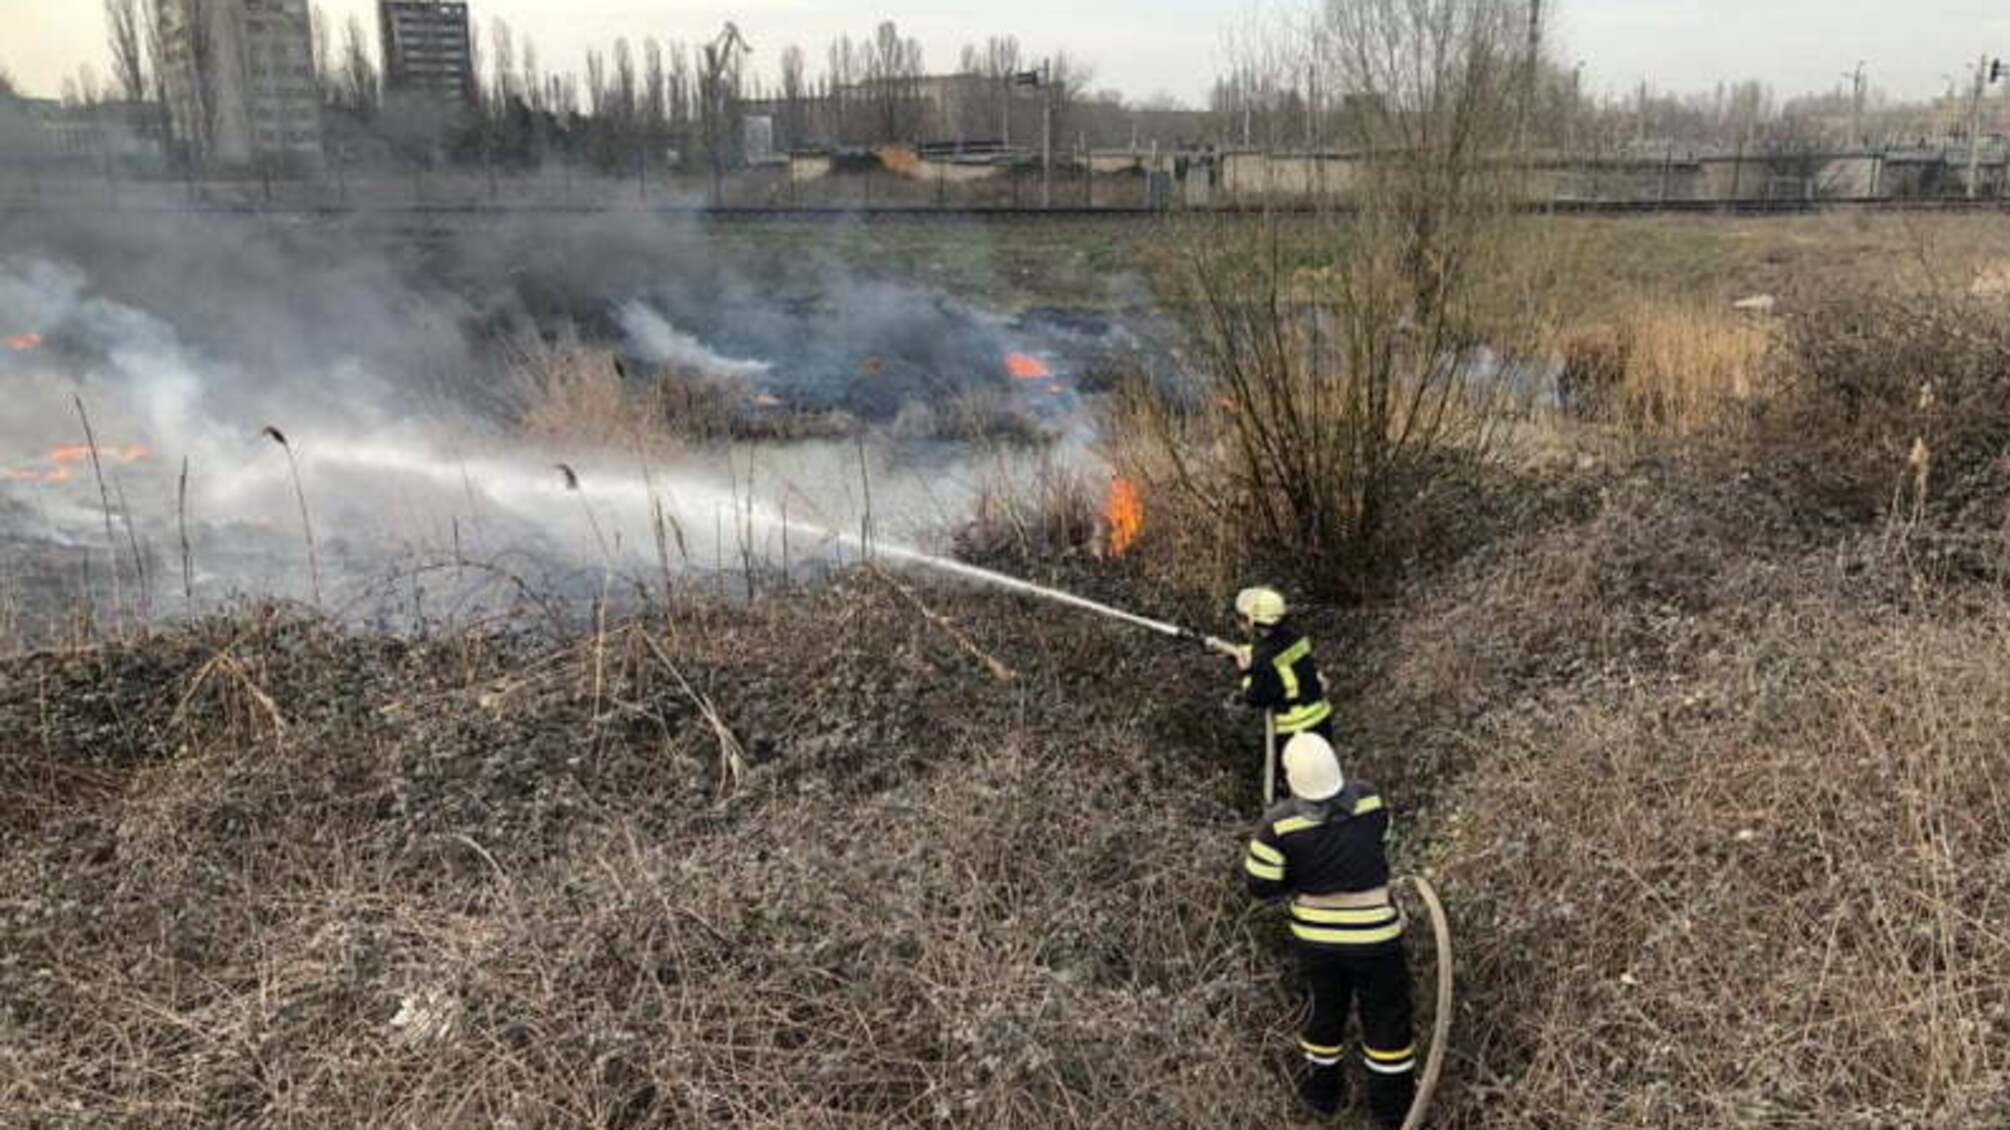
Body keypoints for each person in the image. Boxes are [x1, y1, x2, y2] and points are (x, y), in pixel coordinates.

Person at [1241, 732, 1416, 1127]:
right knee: (1387, 1022)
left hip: (1317, 943)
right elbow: (1381, 840)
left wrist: (1300, 877)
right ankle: (1391, 1115)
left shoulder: (1277, 825)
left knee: (1323, 1016)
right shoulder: (1370, 799)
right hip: (1377, 939)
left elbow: (1259, 886)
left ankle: (1321, 1100)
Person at [1214, 586, 1333, 786]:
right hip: (1321, 718)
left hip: (1294, 728)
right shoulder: (1295, 637)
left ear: (1254, 621)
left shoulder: (1262, 658)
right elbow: (1276, 656)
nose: (1241, 623)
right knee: (1325, 771)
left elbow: (1255, 697)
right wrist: (1235, 651)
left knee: (1298, 781)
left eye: (1243, 618)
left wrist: (1244, 672)